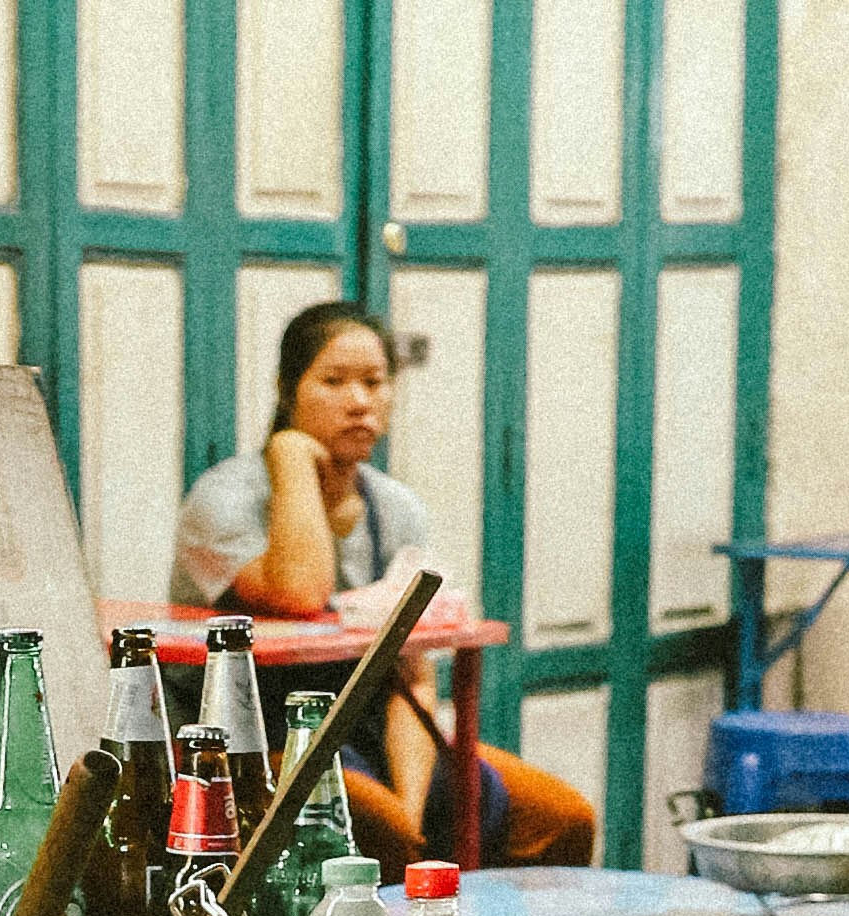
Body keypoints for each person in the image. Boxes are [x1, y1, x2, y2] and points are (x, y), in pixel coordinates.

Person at [171, 298, 599, 874]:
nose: (359, 402)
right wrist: (292, 458)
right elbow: (299, 590)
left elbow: (411, 679)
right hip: (249, 744)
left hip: (374, 732)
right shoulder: (224, 500)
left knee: (561, 820)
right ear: (286, 387)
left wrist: (415, 812)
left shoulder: (395, 510)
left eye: (375, 383)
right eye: (333, 382)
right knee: (379, 828)